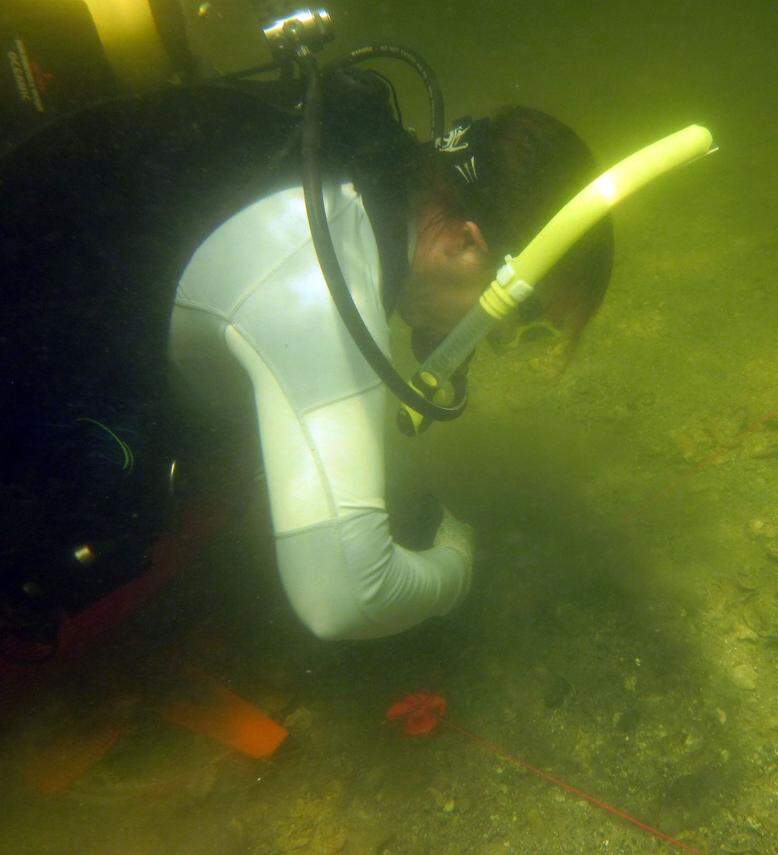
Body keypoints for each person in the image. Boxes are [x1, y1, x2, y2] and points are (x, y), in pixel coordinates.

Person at [0, 68, 614, 652]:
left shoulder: (352, 153)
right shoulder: (319, 281)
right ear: (466, 242)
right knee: (106, 525)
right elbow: (347, 599)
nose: (494, 341)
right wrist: (457, 563)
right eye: (520, 319)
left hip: (57, 252)